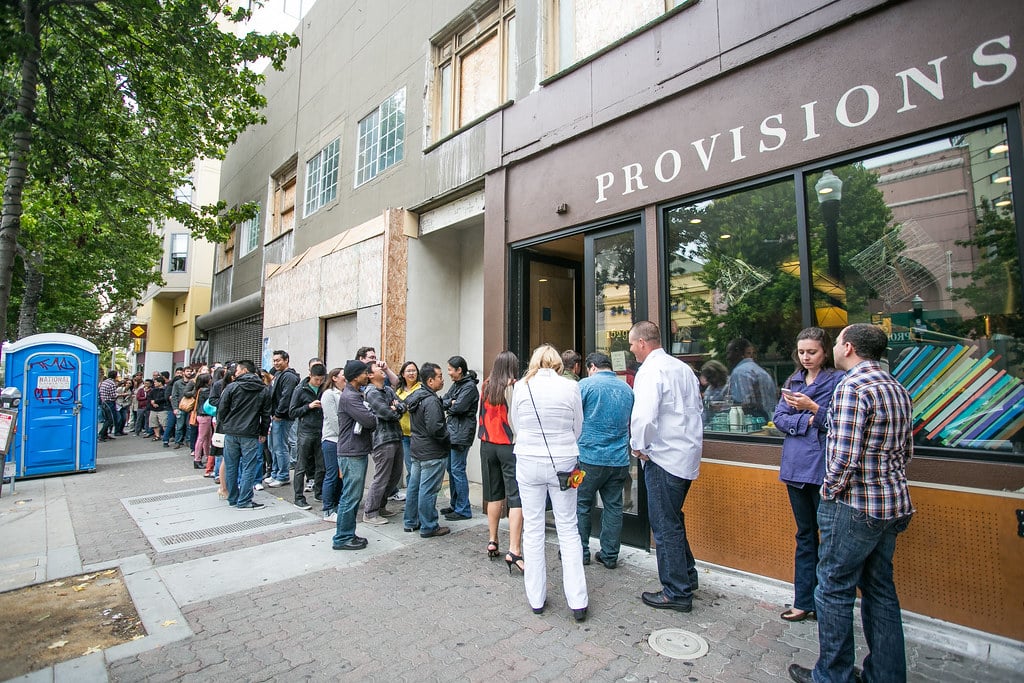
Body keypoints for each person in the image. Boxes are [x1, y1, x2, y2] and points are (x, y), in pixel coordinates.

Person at [788, 324, 915, 683]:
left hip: (854, 505)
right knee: (880, 591)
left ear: (848, 347)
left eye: (839, 342)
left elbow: (843, 457)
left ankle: (832, 674)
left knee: (832, 588)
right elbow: (906, 452)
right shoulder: (897, 387)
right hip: (892, 502)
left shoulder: (852, 387)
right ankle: (886, 675)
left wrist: (829, 492)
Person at [509, 344, 588, 621]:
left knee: (532, 528)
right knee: (568, 527)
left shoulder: (521, 387)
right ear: (557, 364)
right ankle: (578, 600)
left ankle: (536, 598)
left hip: (528, 459)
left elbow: (515, 424)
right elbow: (577, 427)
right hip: (563, 461)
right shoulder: (570, 387)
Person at [629, 320, 703, 612]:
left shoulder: (650, 370)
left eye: (633, 343)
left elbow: (645, 416)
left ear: (643, 343)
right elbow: (697, 410)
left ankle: (676, 591)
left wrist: (639, 446)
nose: (632, 349)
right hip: (685, 455)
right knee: (674, 518)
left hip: (663, 456)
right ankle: (688, 575)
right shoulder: (682, 368)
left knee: (664, 525)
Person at [773, 327, 843, 623]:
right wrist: (809, 420)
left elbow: (840, 420)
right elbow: (778, 418)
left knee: (829, 539)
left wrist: (812, 408)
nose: (806, 357)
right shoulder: (794, 379)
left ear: (825, 352)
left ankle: (826, 604)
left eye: (812, 352)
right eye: (801, 352)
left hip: (823, 468)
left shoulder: (839, 380)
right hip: (795, 467)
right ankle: (803, 600)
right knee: (804, 535)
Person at [576, 351, 634, 570]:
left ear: (592, 367)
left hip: (589, 457)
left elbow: (573, 417)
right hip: (619, 459)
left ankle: (581, 552)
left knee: (581, 504)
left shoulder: (585, 386)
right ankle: (609, 555)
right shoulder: (627, 389)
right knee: (613, 506)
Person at [478, 351, 522, 565]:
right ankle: (515, 547)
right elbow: (515, 420)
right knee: (515, 496)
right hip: (508, 445)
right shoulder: (513, 386)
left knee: (493, 494)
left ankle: (492, 539)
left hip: (487, 444)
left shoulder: (486, 385)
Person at [403, 362, 452, 539]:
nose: (442, 379)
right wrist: (448, 437)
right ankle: (429, 525)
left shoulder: (417, 396)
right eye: (439, 376)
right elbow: (435, 428)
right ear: (430, 380)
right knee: (428, 490)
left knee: (415, 487)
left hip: (418, 450)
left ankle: (410, 522)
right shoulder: (430, 400)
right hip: (432, 452)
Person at [332, 360, 377, 551]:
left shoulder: (355, 395)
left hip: (355, 450)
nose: (367, 375)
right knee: (350, 496)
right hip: (351, 452)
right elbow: (369, 421)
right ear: (356, 376)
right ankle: (342, 537)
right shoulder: (350, 397)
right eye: (364, 373)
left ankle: (348, 532)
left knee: (353, 494)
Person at [216, 360, 272, 510]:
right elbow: (266, 414)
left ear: (245, 370)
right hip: (251, 432)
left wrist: (225, 425)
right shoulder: (263, 389)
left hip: (231, 432)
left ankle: (233, 498)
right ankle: (245, 499)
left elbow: (221, 410)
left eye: (238, 370)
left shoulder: (232, 387)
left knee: (231, 465)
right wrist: (263, 432)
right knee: (249, 466)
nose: (235, 372)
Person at [362, 361, 406, 525]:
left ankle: (381, 506)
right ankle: (370, 512)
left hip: (395, 435)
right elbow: (388, 413)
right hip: (382, 439)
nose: (381, 369)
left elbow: (403, 405)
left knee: (394, 476)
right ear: (370, 375)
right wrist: (395, 409)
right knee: (382, 477)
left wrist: (398, 408)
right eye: (377, 368)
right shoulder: (371, 392)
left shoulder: (387, 389)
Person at [440, 355, 478, 521]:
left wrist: (452, 404)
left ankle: (463, 509)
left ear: (459, 370)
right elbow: (443, 401)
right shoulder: (458, 385)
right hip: (454, 432)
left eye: (450, 369)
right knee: (452, 469)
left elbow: (459, 407)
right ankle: (456, 505)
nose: (448, 373)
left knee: (457, 470)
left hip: (461, 434)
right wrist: (451, 402)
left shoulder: (469, 387)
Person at [289, 363, 326, 511]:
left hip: (321, 430)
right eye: (316, 379)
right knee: (301, 465)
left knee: (321, 465)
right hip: (306, 431)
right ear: (310, 375)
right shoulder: (300, 390)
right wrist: (308, 407)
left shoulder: (324, 388)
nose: (319, 382)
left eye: (321, 379)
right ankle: (298, 497)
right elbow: (292, 412)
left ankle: (319, 492)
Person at [267, 350, 300, 487]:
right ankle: (275, 473)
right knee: (274, 447)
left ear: (286, 360)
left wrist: (278, 414)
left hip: (282, 417)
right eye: (274, 360)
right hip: (275, 416)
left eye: (278, 360)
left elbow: (286, 397)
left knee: (281, 447)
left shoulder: (289, 377)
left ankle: (283, 475)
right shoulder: (278, 374)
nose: (275, 363)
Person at [725, 337, 778, 421]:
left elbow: (743, 405)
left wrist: (724, 407)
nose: (727, 357)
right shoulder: (761, 371)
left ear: (738, 353)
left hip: (751, 424)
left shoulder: (740, 372)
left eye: (729, 353)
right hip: (768, 421)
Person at [319, 367, 345, 522]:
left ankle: (337, 505)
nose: (346, 378)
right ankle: (328, 509)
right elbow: (334, 420)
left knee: (341, 476)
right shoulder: (329, 394)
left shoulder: (344, 393)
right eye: (343, 376)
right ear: (334, 378)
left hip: (342, 442)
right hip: (332, 440)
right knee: (332, 475)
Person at [394, 360, 420, 499]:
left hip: (416, 434)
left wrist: (400, 405)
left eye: (414, 370)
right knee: (410, 468)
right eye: (408, 371)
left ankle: (415, 498)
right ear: (403, 374)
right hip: (403, 434)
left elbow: (406, 405)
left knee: (416, 469)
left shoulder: (420, 388)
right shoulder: (398, 390)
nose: (411, 373)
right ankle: (411, 497)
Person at [148, 375, 170, 443]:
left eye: (155, 382)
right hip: (153, 409)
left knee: (164, 423)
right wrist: (152, 402)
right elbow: (150, 397)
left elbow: (165, 398)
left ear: (160, 382)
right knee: (154, 423)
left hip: (163, 408)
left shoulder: (165, 389)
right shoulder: (153, 390)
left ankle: (166, 436)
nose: (154, 383)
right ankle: (157, 435)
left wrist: (156, 401)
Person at [98, 370, 119, 442]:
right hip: (109, 402)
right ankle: (101, 434)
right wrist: (121, 394)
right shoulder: (112, 384)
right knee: (110, 420)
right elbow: (113, 395)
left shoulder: (104, 382)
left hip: (103, 401)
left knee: (106, 419)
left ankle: (104, 434)